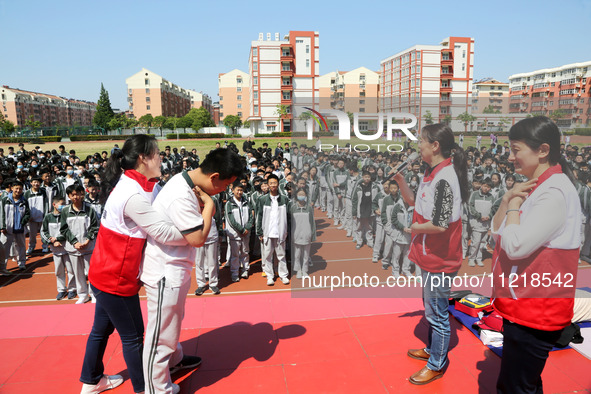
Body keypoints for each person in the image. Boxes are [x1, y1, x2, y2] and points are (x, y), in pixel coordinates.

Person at [80, 135, 187, 394]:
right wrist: (195, 232)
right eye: (158, 153)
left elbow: (161, 196)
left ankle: (91, 380)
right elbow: (162, 231)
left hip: (104, 273)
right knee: (134, 337)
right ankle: (144, 388)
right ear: (143, 158)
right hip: (115, 278)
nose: (162, 157)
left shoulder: (139, 184)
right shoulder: (132, 194)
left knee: (101, 330)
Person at [491, 116, 581, 393]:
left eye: (516, 149)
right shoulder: (536, 187)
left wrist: (515, 204)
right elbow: (497, 232)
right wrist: (508, 200)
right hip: (523, 304)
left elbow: (515, 246)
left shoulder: (553, 191)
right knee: (522, 383)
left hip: (536, 310)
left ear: (542, 150)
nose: (510, 157)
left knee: (515, 387)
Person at [141, 148, 242, 394]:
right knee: (160, 335)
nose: (223, 191)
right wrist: (209, 207)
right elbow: (197, 237)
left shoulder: (185, 182)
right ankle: (156, 389)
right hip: (166, 271)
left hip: (177, 268)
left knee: (173, 324)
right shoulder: (181, 195)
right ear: (214, 176)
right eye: (225, 185)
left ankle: (174, 362)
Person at [392, 123, 470, 385]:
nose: (418, 147)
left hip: (441, 260)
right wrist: (401, 181)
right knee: (431, 309)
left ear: (435, 145)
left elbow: (440, 224)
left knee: (437, 314)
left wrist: (412, 227)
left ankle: (436, 363)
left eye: (421, 142)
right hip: (428, 255)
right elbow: (415, 202)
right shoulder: (431, 173)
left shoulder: (445, 178)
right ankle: (432, 349)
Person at [257, 174, 291, 286]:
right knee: (267, 256)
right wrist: (259, 232)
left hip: (280, 232)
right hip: (268, 232)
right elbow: (260, 216)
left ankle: (283, 275)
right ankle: (270, 276)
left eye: (274, 183)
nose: (273, 185)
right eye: (270, 183)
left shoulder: (284, 199)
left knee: (281, 255)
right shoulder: (262, 199)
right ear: (267, 184)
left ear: (278, 184)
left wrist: (288, 231)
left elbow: (289, 216)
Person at [41, 196, 75, 300]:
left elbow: (70, 230)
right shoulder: (48, 217)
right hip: (55, 249)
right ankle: (61, 290)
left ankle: (72, 289)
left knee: (71, 270)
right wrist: (51, 240)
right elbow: (43, 231)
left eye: (64, 204)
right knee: (59, 271)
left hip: (67, 248)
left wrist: (59, 239)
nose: (63, 206)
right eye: (61, 204)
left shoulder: (67, 215)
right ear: (54, 205)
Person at [225, 179, 254, 282]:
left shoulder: (246, 202)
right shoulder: (229, 203)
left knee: (245, 252)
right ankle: (234, 273)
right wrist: (241, 229)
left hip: (246, 233)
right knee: (235, 254)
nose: (239, 192)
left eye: (241, 190)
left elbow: (251, 216)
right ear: (233, 190)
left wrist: (247, 228)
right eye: (237, 190)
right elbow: (230, 220)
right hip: (235, 234)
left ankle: (245, 270)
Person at [0, 180, 30, 271]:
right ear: (12, 188)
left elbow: (28, 213)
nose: (18, 190)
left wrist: (23, 222)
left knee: (21, 246)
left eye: (20, 189)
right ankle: (3, 267)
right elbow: (1, 213)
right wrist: (2, 226)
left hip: (20, 228)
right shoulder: (5, 200)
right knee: (4, 248)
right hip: (7, 228)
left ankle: (21, 263)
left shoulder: (24, 200)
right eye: (16, 188)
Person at [290, 187, 316, 279]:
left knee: (306, 254)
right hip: (296, 234)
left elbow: (312, 222)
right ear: (296, 196)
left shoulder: (309, 208)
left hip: (306, 233)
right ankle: (298, 270)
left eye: (303, 195)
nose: (301, 196)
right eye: (299, 194)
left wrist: (313, 235)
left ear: (306, 196)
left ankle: (305, 270)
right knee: (297, 254)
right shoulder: (293, 208)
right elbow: (290, 222)